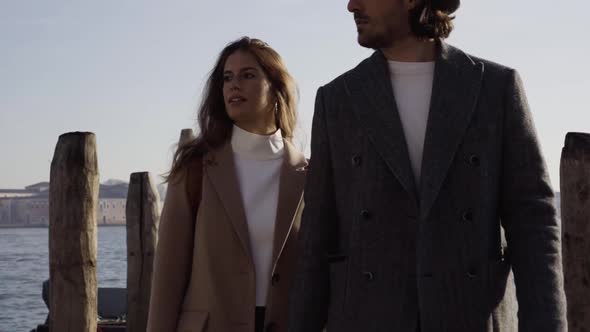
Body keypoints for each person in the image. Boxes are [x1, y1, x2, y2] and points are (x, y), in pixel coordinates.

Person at [288, 0, 567, 331]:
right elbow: (317, 236)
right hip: (367, 318)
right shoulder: (337, 99)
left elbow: (533, 221)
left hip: (470, 316)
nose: (351, 5)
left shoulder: (494, 87)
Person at [147, 37, 308, 332]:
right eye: (227, 78)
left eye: (248, 75)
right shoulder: (196, 168)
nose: (234, 85)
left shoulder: (308, 175)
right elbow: (168, 277)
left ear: (275, 88)